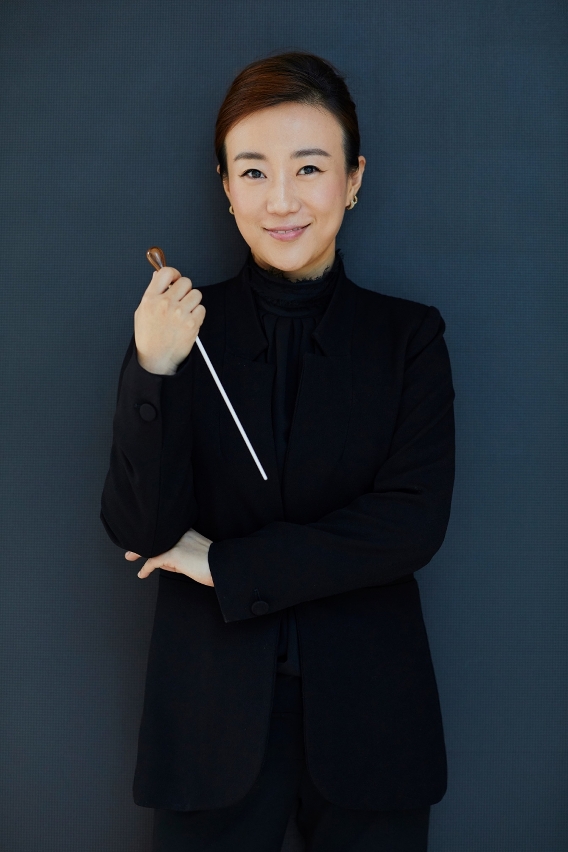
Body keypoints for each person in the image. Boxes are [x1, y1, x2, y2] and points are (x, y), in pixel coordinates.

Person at [100, 51, 455, 852]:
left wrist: (228, 565)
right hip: (206, 726)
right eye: (254, 172)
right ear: (226, 186)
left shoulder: (409, 338)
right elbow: (141, 528)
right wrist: (154, 366)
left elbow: (410, 526)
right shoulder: (177, 328)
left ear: (353, 179)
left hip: (374, 725)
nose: (282, 200)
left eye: (310, 168)